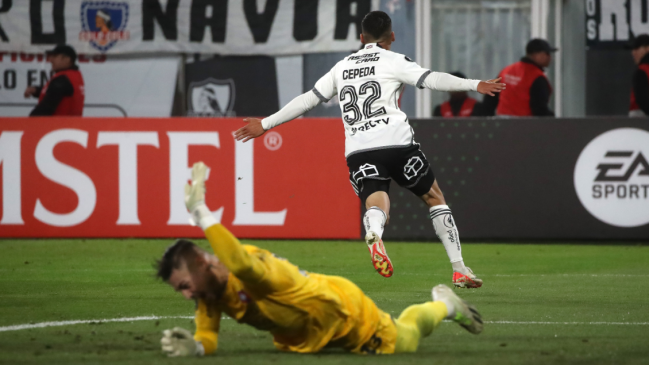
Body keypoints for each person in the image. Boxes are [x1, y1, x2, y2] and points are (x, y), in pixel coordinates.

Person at [234, 11, 505, 287]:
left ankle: (374, 230)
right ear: (393, 37)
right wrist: (474, 84)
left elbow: (308, 100)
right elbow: (431, 79)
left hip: (360, 150)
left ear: (361, 38)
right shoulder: (394, 60)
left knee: (376, 200)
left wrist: (266, 123)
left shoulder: (341, 67)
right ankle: (459, 269)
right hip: (398, 144)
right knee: (435, 198)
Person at [157, 162, 483, 357]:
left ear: (203, 263)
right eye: (180, 291)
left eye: (185, 285)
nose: (187, 295)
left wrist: (201, 213)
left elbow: (239, 263)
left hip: (343, 313)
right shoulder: (209, 293)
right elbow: (208, 336)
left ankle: (446, 306)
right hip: (308, 332)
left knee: (406, 340)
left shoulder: (253, 268)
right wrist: (197, 348)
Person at [482, 38, 556, 117]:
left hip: (502, 123)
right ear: (535, 55)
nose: (550, 58)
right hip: (524, 125)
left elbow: (489, 98)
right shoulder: (537, 77)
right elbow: (539, 109)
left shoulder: (506, 71)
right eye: (547, 54)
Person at [24, 45, 85, 116]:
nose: (51, 60)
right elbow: (59, 93)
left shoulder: (62, 79)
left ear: (67, 59)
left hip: (58, 125)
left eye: (55, 56)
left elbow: (46, 108)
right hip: (72, 125)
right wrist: (36, 90)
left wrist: (28, 122)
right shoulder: (74, 76)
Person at [629, 34, 649, 117]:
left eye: (637, 48)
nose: (633, 52)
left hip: (641, 121)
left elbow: (642, 101)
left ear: (647, 48)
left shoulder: (642, 70)